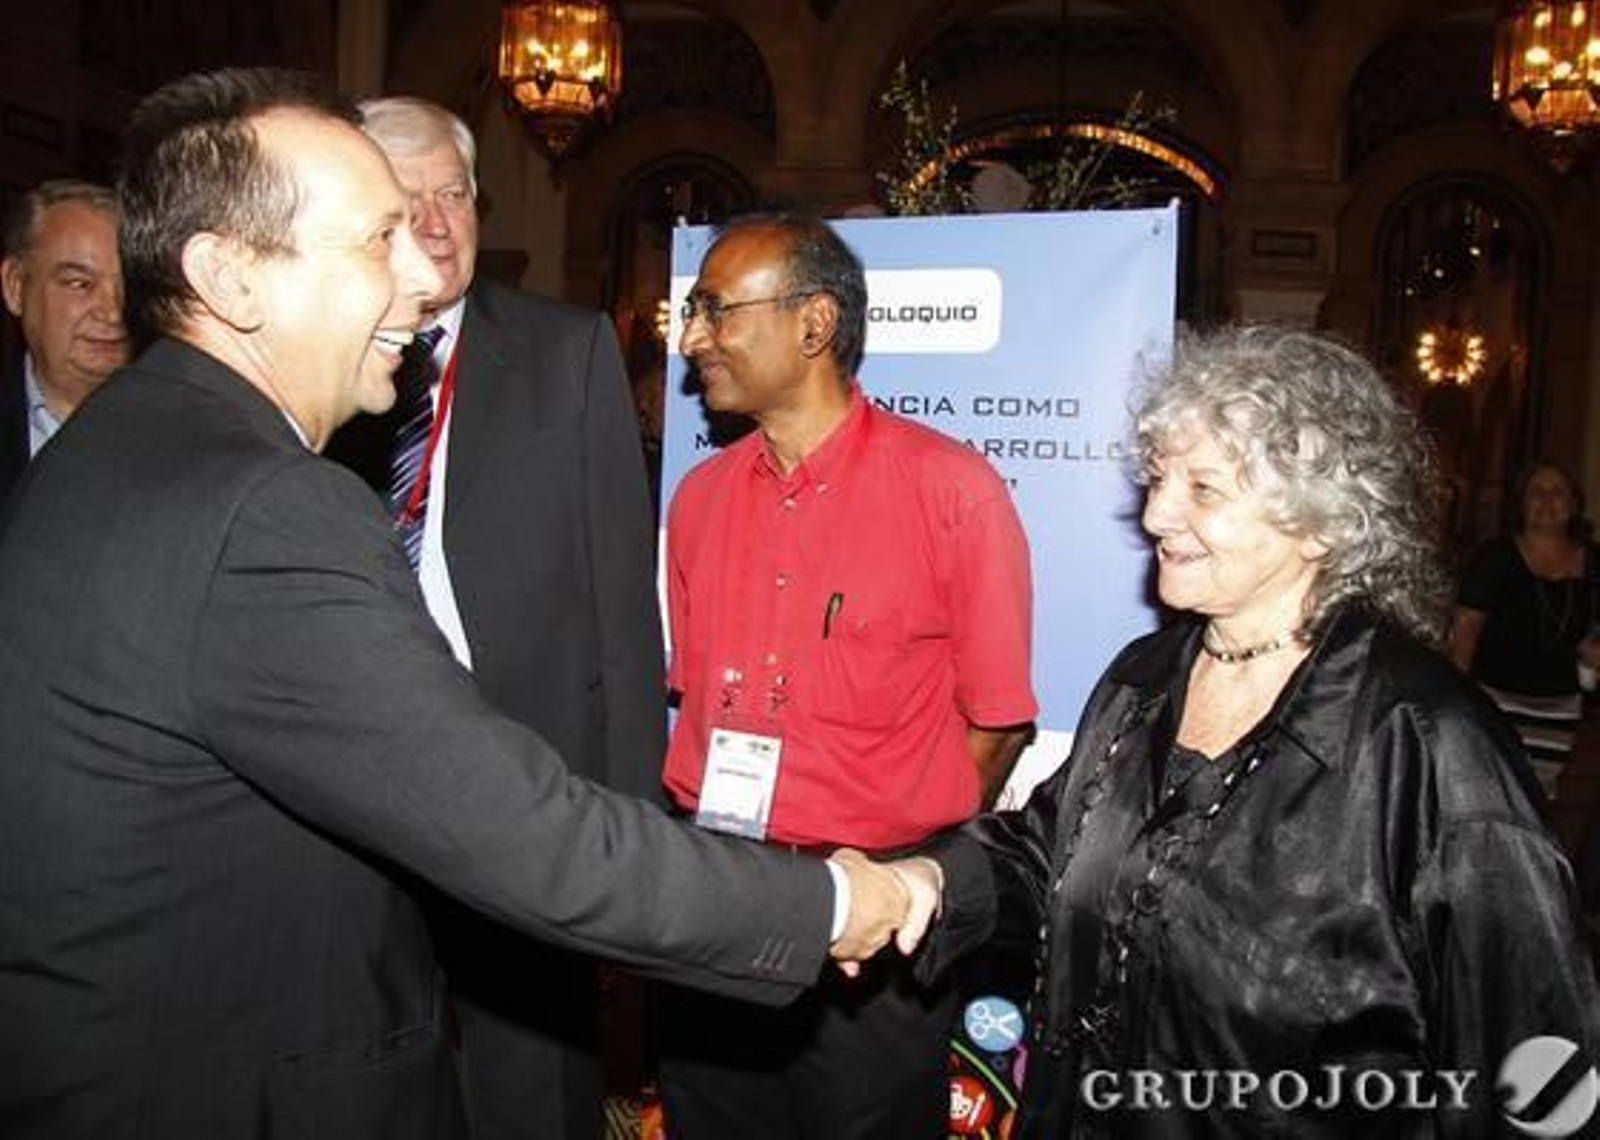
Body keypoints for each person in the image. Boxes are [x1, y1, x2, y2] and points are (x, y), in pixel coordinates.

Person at [0, 68, 922, 1140]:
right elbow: (530, 837)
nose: (416, 278)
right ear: (231, 278)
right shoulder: (262, 506)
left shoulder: (127, 441)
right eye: (373, 243)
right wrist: (842, 903)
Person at [893, 327, 1600, 1138]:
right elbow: (1051, 855)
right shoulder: (1143, 677)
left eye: (1204, 488)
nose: (1157, 512)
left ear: (1320, 521)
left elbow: (1538, 1073)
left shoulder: (1432, 749)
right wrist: (926, 884)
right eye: (1159, 478)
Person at [323, 96, 665, 1140]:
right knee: (367, 1059)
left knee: (532, 1079)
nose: (434, 224)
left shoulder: (566, 353)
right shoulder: (305, 362)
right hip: (348, 779)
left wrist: (629, 826)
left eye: (454, 194)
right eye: (403, 200)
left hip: (530, 783)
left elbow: (623, 609)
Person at [657, 211, 1037, 1139]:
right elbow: (693, 701)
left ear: (814, 324)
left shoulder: (953, 493)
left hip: (869, 947)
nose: (693, 336)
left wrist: (903, 866)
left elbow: (998, 720)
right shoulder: (698, 500)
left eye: (715, 309)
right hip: (715, 905)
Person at [1450, 458, 1600, 798]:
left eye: (1557, 492)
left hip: (1559, 706)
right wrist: (1456, 698)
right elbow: (1466, 629)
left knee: (1537, 797)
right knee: (1489, 793)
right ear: (1521, 504)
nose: (1547, 500)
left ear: (1574, 504)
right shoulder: (1495, 557)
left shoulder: (1592, 562)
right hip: (1496, 700)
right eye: (1536, 492)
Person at [0, 179, 128, 499]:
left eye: (128, 288)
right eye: (79, 284)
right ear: (15, 287)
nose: (112, 313)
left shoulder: (189, 436)